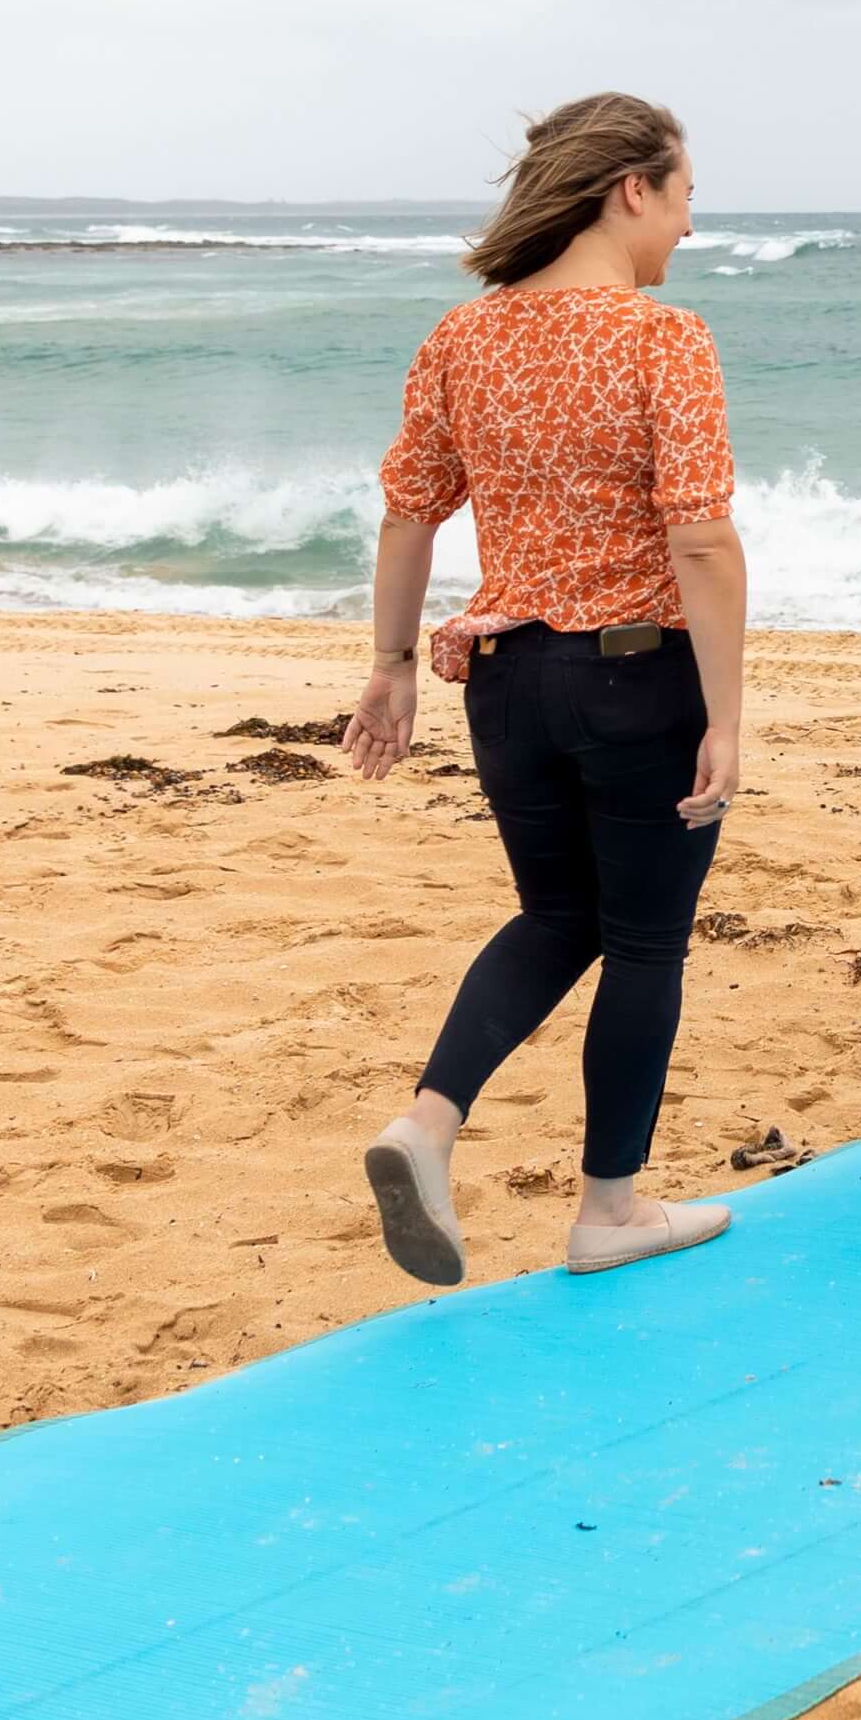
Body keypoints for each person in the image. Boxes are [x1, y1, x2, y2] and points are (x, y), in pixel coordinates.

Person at [345, 93, 748, 1284]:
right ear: (632, 188)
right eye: (680, 199)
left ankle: (426, 1119)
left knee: (555, 915)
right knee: (642, 942)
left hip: (506, 682)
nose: (681, 228)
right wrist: (726, 713)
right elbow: (703, 541)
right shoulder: (661, 338)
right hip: (636, 679)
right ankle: (608, 1209)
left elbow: (408, 513)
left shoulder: (463, 337)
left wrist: (390, 665)